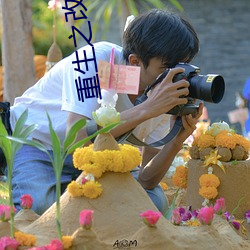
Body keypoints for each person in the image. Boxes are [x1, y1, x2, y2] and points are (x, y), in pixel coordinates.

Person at [6, 9, 202, 215]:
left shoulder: (164, 89)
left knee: (152, 202)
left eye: (182, 66)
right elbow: (76, 139)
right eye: (167, 68)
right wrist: (147, 108)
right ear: (135, 62)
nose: (176, 76)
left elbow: (146, 180)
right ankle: (65, 197)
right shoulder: (96, 61)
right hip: (37, 143)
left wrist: (176, 140)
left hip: (96, 157)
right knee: (39, 208)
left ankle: (70, 199)